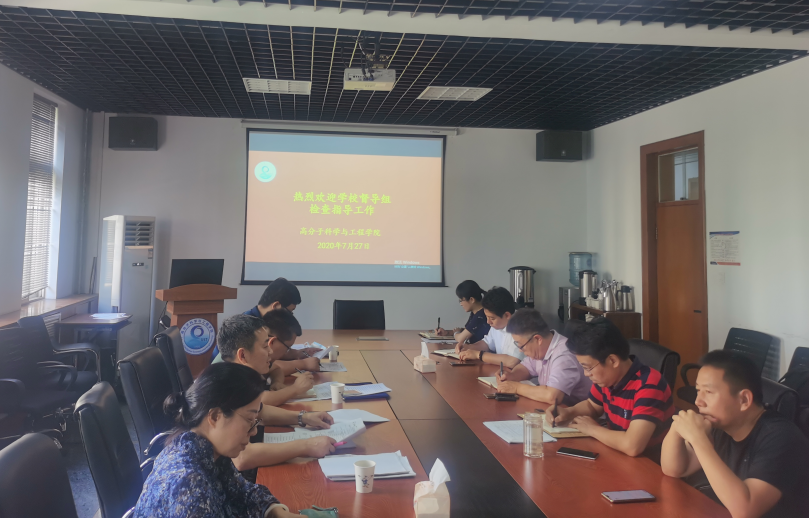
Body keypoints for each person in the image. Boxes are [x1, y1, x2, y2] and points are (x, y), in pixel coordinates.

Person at [132, 362, 302, 518]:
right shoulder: (188, 483)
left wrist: (275, 512)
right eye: (249, 420)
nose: (254, 431)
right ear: (215, 416)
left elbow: (242, 492)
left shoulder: (207, 450)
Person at [661, 350, 809, 518]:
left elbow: (745, 510)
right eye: (698, 390)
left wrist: (699, 440)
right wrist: (677, 427)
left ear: (744, 400)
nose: (698, 401)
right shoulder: (720, 423)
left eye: (708, 392)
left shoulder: (782, 438)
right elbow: (674, 469)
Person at [551, 317, 675, 459]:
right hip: (617, 454)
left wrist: (593, 429)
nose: (586, 374)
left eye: (588, 367)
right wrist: (568, 412)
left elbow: (632, 446)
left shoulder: (649, 384)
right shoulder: (608, 379)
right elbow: (592, 406)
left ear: (612, 360)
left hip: (649, 464)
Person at [495, 308, 591, 406]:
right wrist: (511, 376)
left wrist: (516, 388)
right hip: (551, 409)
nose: (520, 350)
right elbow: (525, 367)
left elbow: (553, 396)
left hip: (576, 412)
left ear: (538, 339)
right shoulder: (541, 349)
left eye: (521, 346)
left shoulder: (564, 354)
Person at [212, 278, 316, 363]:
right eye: (290, 311)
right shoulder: (249, 328)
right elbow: (263, 362)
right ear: (276, 306)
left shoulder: (257, 319)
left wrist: (296, 353)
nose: (290, 316)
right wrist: (303, 364)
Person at [457, 287, 524, 368]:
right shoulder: (497, 324)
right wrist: (468, 347)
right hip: (502, 372)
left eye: (492, 318)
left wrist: (478, 355)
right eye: (487, 317)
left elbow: (512, 361)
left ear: (507, 315)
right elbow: (487, 343)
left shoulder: (522, 326)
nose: (488, 322)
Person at [434, 280, 490, 345]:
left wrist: (456, 333)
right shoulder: (475, 312)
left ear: (472, 299)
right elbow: (468, 330)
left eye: (461, 300)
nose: (461, 304)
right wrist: (447, 332)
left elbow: (461, 339)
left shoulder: (481, 316)